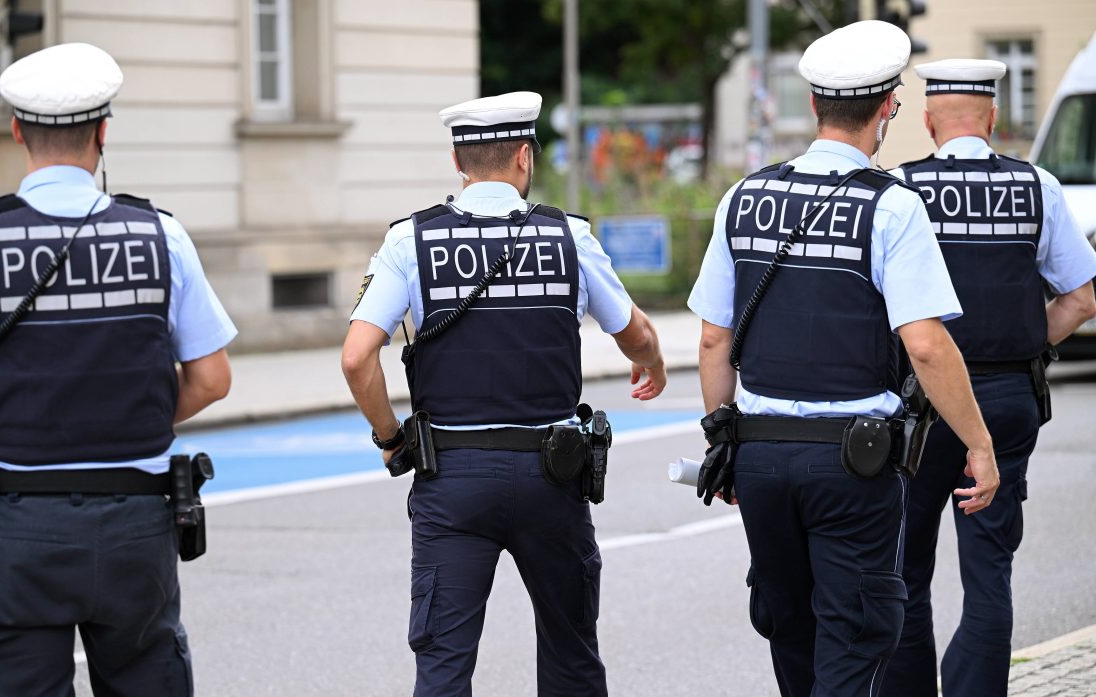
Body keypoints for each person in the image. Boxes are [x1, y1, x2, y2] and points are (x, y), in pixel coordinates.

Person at [0, 43, 236, 696]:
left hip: (18, 530)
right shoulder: (161, 234)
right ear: (103, 133)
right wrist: (118, 413)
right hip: (138, 527)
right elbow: (212, 377)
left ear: (16, 131)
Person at [688, 21, 1001, 697]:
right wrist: (978, 442)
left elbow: (714, 340)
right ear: (888, 108)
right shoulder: (892, 207)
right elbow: (925, 344)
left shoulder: (744, 198)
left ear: (813, 106)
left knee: (790, 630)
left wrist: (723, 443)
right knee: (854, 636)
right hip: (851, 465)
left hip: (761, 456)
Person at [341, 91, 666, 696]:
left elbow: (357, 357)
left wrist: (391, 438)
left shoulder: (410, 241)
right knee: (572, 656)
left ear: (457, 162)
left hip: (452, 481)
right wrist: (651, 363)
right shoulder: (568, 236)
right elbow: (635, 332)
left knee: (444, 666)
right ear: (524, 156)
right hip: (552, 476)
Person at [881, 59, 1096, 697]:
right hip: (1006, 402)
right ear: (993, 118)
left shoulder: (900, 189)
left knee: (904, 571)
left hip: (919, 408)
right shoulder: (1037, 187)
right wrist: (1028, 345)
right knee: (989, 571)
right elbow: (1081, 299)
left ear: (928, 122)